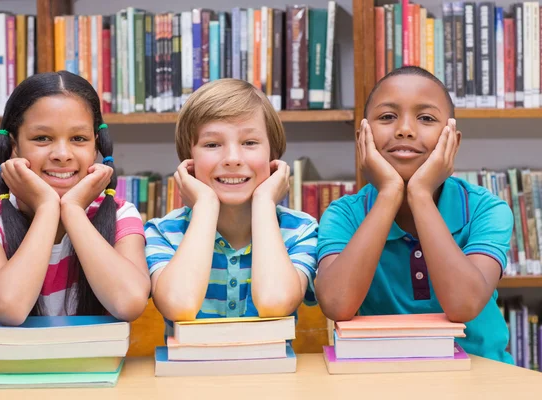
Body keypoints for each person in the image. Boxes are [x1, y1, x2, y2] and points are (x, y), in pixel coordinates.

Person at [0, 71, 151, 371]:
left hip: (96, 382)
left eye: (78, 138)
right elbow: (10, 307)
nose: (62, 153)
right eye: (42, 138)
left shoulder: (121, 214)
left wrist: (72, 211)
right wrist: (48, 207)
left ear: (97, 146)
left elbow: (129, 302)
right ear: (14, 146)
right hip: (4, 385)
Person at [315, 66, 514, 363]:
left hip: (479, 377)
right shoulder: (344, 214)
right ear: (362, 138)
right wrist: (389, 194)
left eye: (426, 118)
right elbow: (336, 304)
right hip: (380, 375)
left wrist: (420, 193)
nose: (405, 129)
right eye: (387, 117)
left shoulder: (487, 210)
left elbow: (464, 305)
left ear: (453, 142)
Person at [145, 79, 318, 339]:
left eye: (249, 142)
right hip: (187, 377)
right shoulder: (163, 233)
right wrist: (205, 205)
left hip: (273, 377)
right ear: (188, 160)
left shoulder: (300, 230)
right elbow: (178, 305)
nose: (233, 159)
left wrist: (264, 202)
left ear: (273, 156)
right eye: (212, 145)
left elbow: (275, 302)